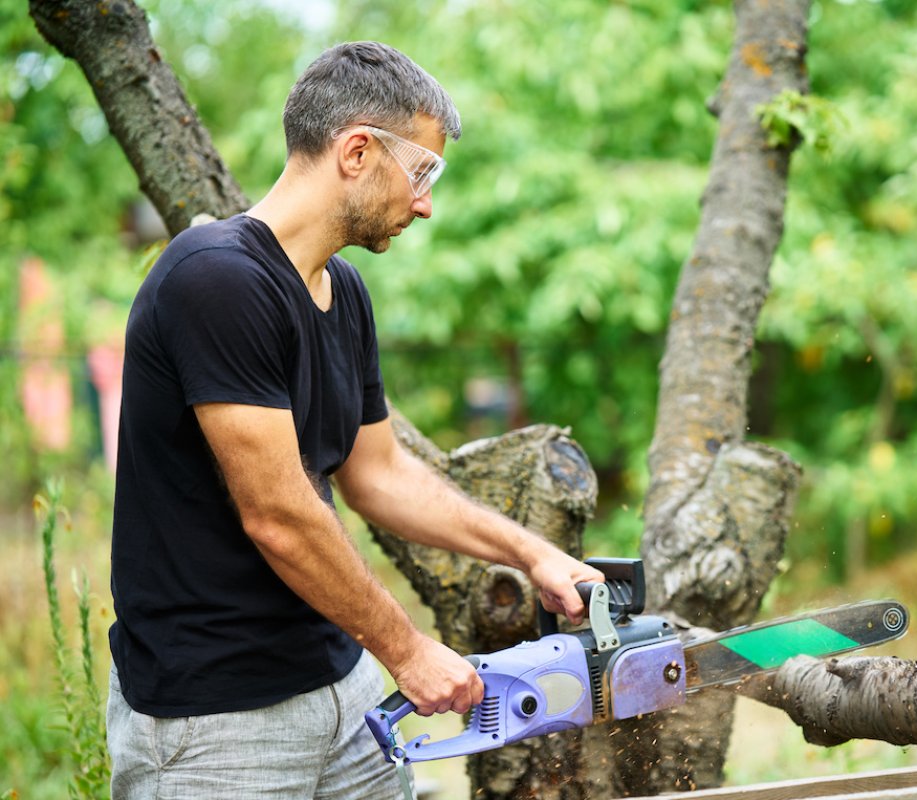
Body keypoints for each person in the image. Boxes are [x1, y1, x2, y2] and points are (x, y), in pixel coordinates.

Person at [106, 41, 605, 799]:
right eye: (423, 172)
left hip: (341, 690)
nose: (427, 202)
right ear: (358, 151)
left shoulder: (342, 291)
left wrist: (529, 552)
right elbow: (277, 514)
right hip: (216, 724)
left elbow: (381, 474)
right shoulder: (215, 278)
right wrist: (407, 652)